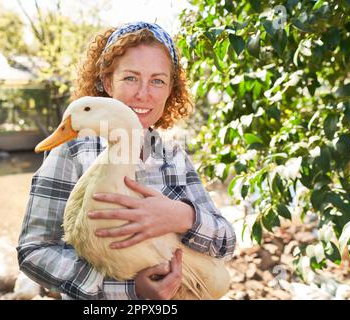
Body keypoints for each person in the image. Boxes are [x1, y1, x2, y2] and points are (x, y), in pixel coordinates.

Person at [17, 22, 236, 300]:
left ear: (170, 90)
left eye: (158, 81)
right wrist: (126, 291)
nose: (143, 93)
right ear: (108, 83)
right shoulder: (72, 152)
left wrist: (182, 217)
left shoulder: (174, 157)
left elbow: (226, 244)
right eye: (131, 78)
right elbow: (33, 252)